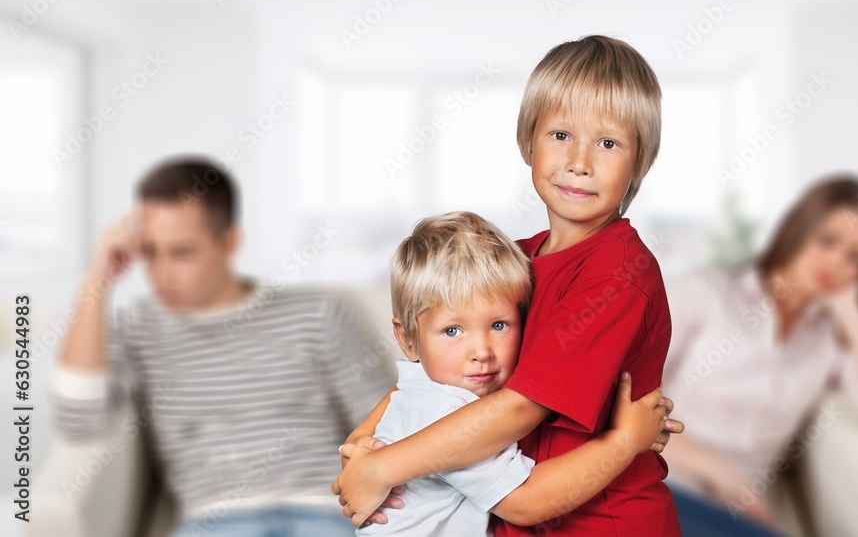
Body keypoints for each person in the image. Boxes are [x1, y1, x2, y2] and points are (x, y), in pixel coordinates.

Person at [334, 35, 684, 536]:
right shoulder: (509, 259)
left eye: (608, 143)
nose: (580, 161)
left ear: (639, 161)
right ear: (528, 141)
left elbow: (521, 408)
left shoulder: (617, 275)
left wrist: (385, 468)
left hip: (601, 523)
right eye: (561, 134)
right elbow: (425, 377)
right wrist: (362, 445)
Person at [49, 156, 395, 536]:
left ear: (228, 241)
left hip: (324, 511)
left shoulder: (316, 313)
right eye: (149, 252)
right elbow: (77, 420)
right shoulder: (141, 327)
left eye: (182, 252)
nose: (162, 273)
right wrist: (98, 275)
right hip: (217, 520)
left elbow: (383, 423)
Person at [356, 211, 669, 536]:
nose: (482, 352)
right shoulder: (449, 411)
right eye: (452, 331)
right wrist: (625, 441)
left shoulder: (420, 393)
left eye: (499, 325)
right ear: (407, 339)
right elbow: (526, 503)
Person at [660, 174, 858, 536]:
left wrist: (851, 311)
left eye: (856, 258)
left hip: (734, 517)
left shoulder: (831, 342)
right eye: (827, 241)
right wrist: (719, 471)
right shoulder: (705, 293)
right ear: (799, 229)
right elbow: (622, 403)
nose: (835, 262)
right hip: (662, 484)